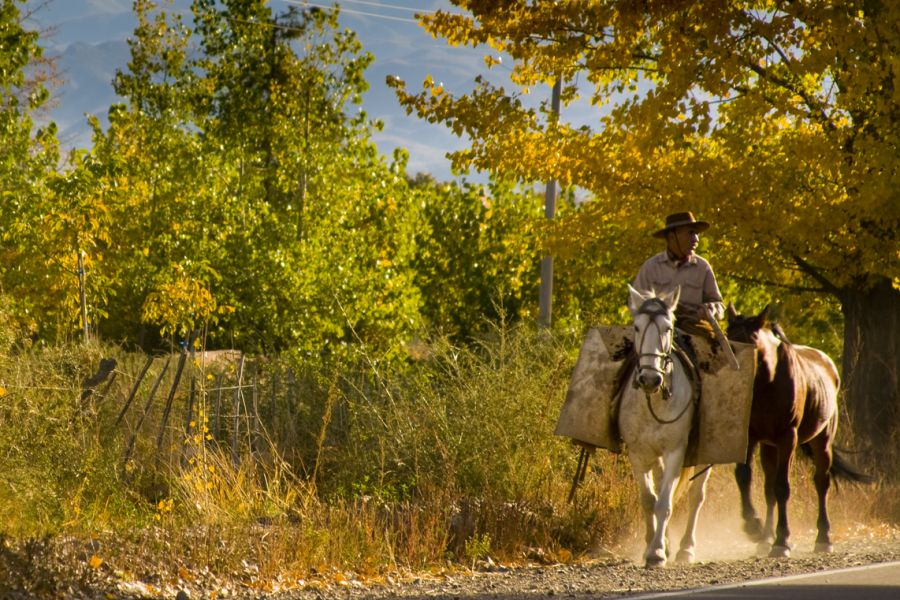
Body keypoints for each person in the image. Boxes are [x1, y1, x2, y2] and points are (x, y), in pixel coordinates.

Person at [633, 212, 725, 337]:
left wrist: (712, 309)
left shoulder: (703, 267)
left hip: (695, 331)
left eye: (696, 233)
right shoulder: (651, 267)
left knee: (717, 352)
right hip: (657, 331)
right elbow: (637, 304)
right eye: (690, 233)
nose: (696, 239)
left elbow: (719, 305)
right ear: (672, 237)